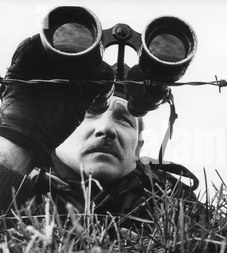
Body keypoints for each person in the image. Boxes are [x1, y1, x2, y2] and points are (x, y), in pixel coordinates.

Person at [0, 32, 199, 232]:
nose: (105, 129)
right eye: (89, 114)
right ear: (58, 130)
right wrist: (21, 136)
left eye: (124, 120)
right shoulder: (25, 190)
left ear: (139, 145)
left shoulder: (174, 201)